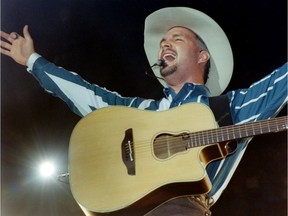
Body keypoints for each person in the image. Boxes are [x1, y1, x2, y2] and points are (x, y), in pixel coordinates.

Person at [1, 7, 287, 216]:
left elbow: (278, 84)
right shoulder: (140, 112)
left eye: (177, 38)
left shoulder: (227, 110)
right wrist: (33, 61)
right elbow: (87, 95)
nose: (165, 43)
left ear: (202, 56)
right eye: (163, 41)